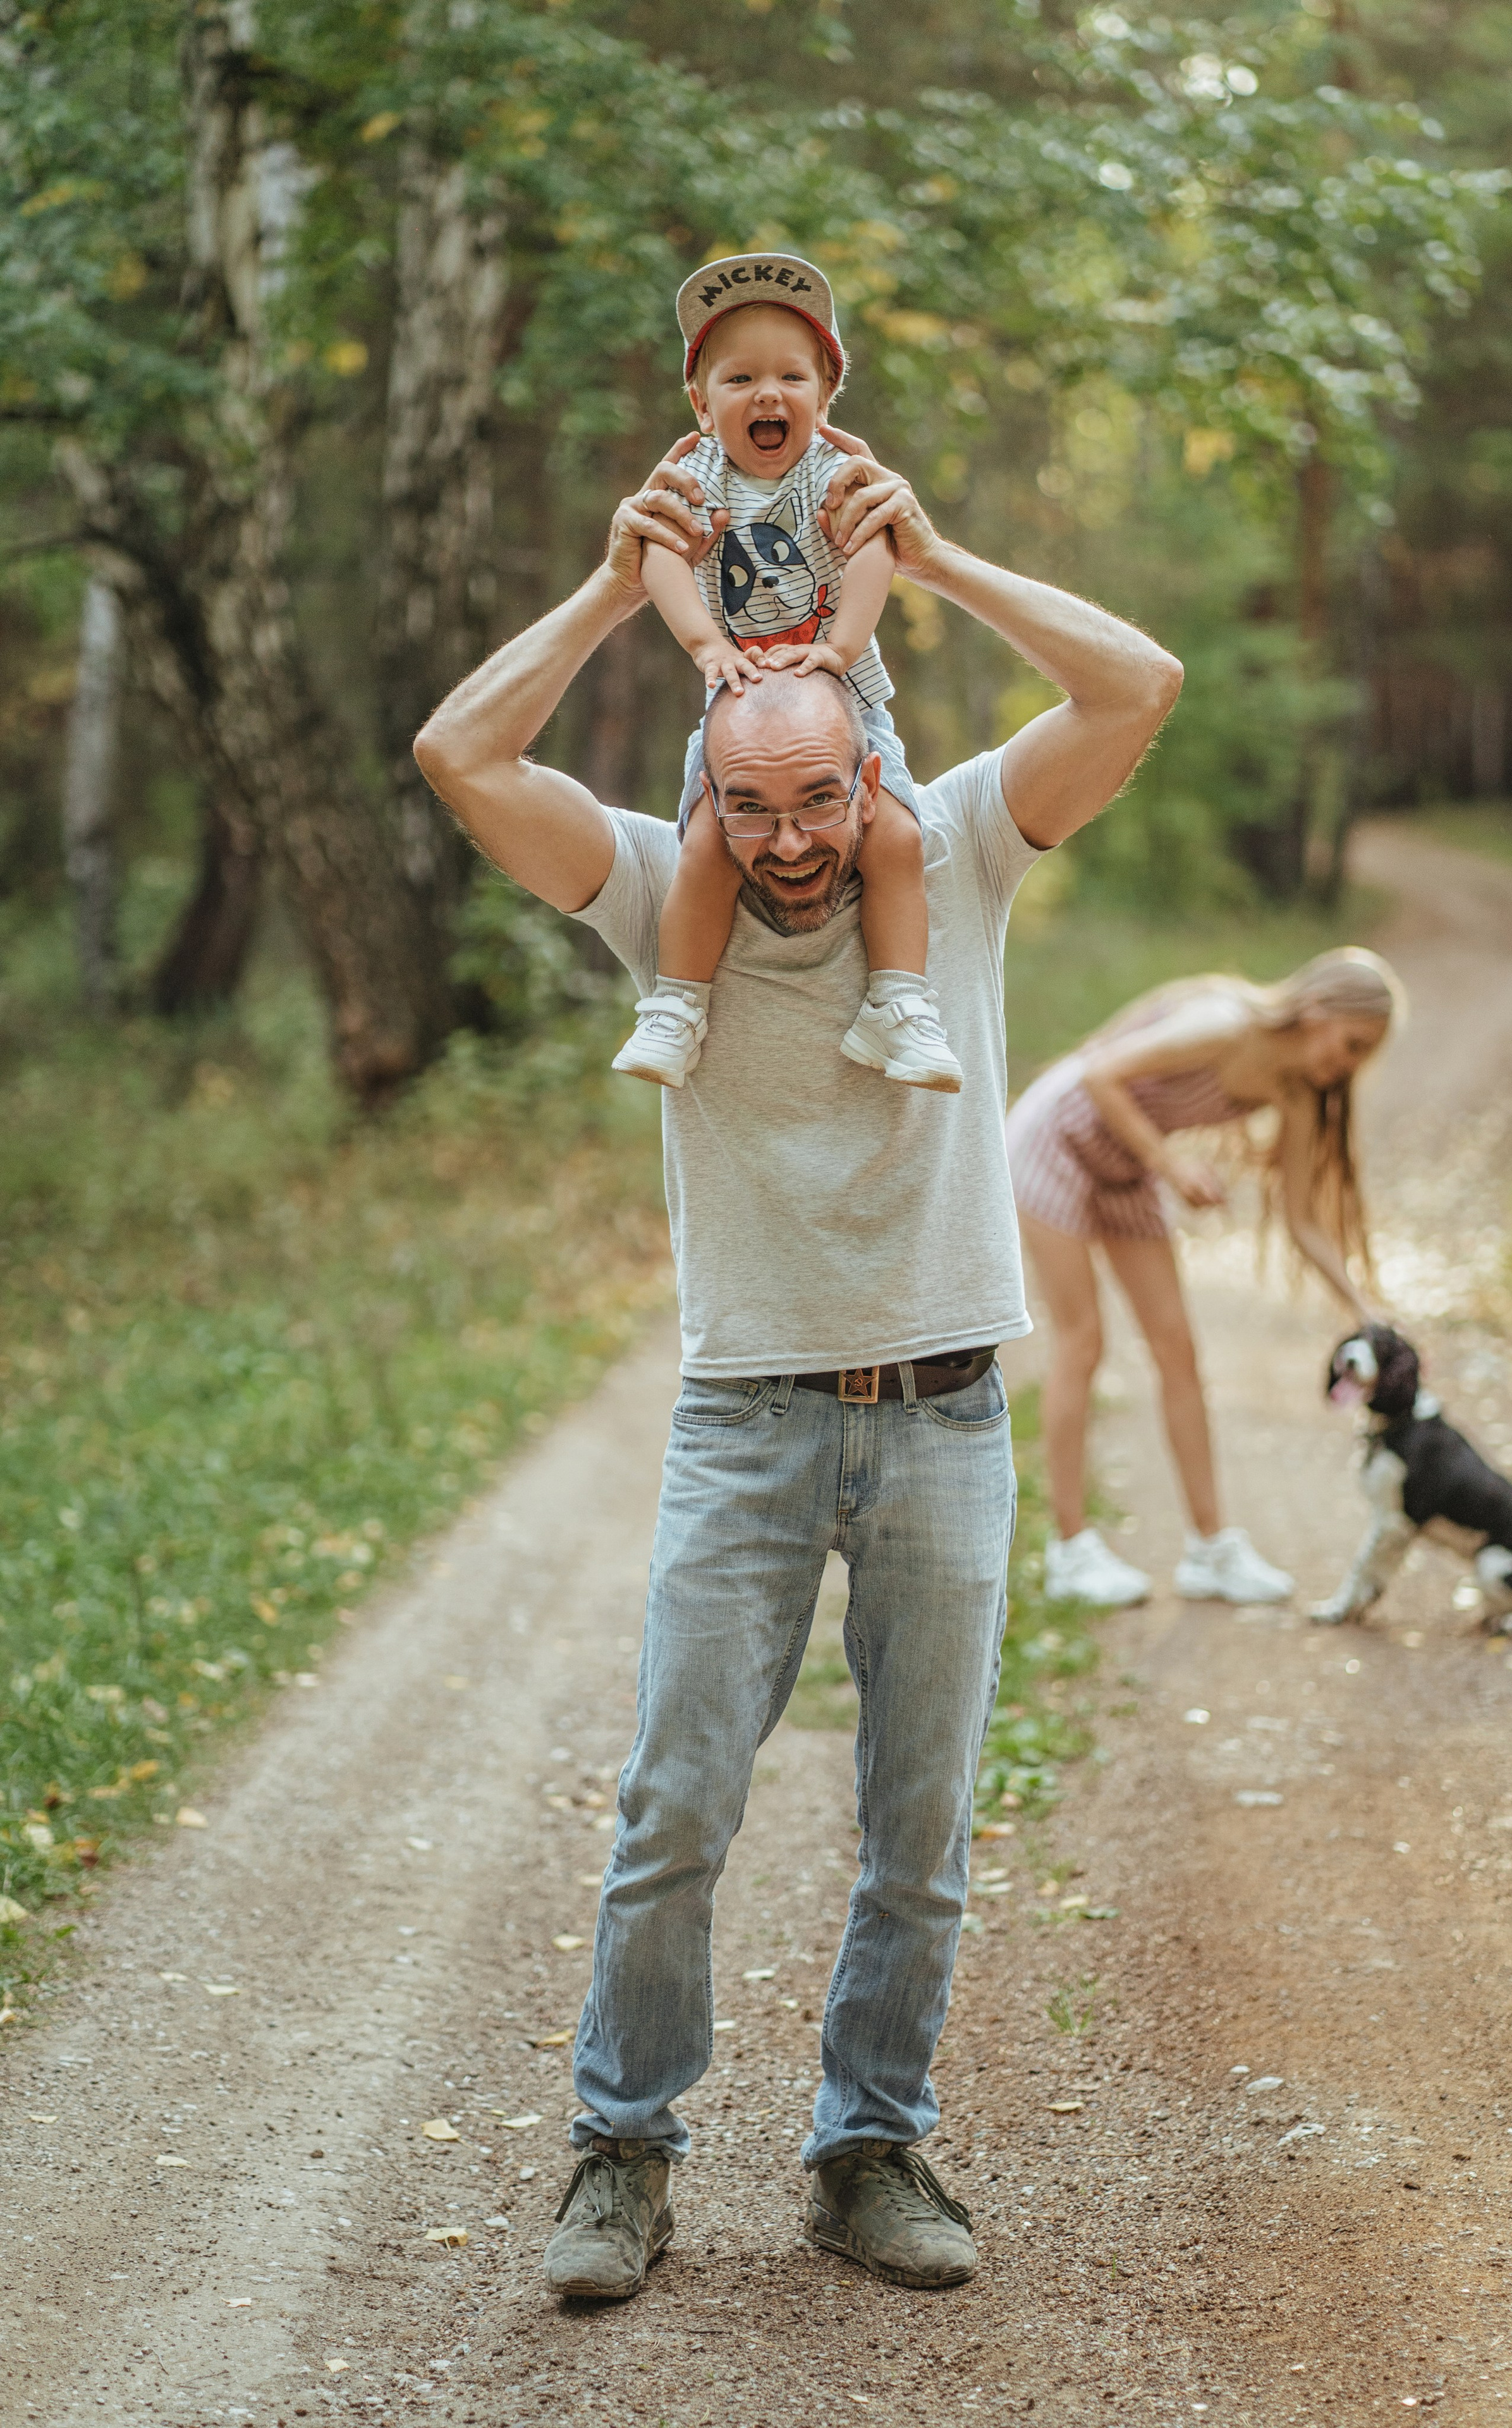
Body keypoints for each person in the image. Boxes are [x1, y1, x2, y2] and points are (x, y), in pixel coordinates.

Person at [413, 428, 1181, 2301]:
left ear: (872, 778)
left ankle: (868, 2147)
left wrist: (933, 561)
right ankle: (621, 2154)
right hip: (741, 1421)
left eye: (821, 800)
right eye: (748, 808)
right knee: (675, 1804)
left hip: (942, 1418)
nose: (786, 842)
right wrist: (615, 586)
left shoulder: (968, 847)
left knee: (915, 1829)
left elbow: (1138, 684)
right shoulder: (648, 885)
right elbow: (459, 757)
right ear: (706, 791)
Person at [618, 252, 960, 1094]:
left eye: (791, 376)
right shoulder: (694, 479)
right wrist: (705, 645)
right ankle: (677, 1005)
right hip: (739, 706)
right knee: (704, 840)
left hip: (845, 706)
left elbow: (875, 555)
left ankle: (901, 1004)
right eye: (739, 378)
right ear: (702, 404)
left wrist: (840, 650)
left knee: (899, 836)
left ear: (823, 397)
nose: (768, 395)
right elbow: (656, 561)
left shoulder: (834, 474)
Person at [1006, 951, 1400, 1609]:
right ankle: (1069, 1551)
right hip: (1058, 1137)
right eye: (1352, 1044)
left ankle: (1209, 1549)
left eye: (1365, 1056)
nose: (1350, 1064)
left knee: (1178, 1351)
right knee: (1082, 1342)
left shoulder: (1296, 1090)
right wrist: (1170, 1165)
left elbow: (1304, 1222)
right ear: (1315, 1012)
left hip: (1126, 1163)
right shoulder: (1223, 1023)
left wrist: (1364, 1309)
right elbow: (1099, 1073)